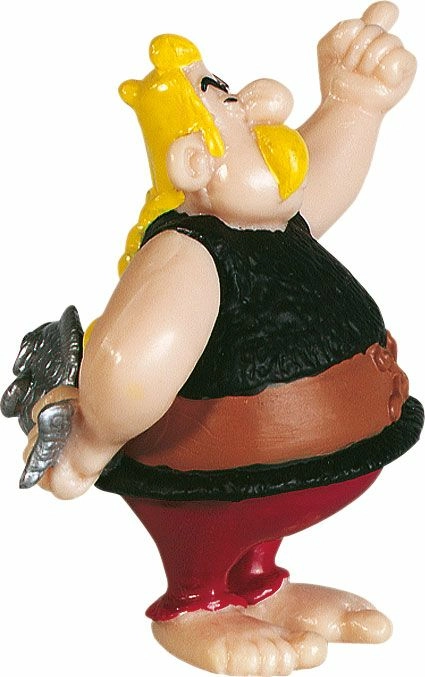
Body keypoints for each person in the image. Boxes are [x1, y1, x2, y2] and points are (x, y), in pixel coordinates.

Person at [4, 2, 423, 674]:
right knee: (216, 518)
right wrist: (96, 436)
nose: (261, 104)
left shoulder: (269, 225)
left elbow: (317, 179)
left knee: (253, 516)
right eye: (229, 102)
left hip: (294, 467)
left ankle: (259, 583)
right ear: (197, 161)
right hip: (204, 472)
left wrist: (354, 101)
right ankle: (195, 600)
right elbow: (138, 359)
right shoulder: (187, 252)